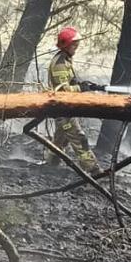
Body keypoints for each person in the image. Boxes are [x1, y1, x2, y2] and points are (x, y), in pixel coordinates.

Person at [43, 26, 101, 171]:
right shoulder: (60, 64)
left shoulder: (66, 60)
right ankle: (94, 170)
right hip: (63, 110)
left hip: (64, 108)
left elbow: (69, 82)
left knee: (59, 141)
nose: (76, 47)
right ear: (66, 45)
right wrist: (81, 88)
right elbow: (62, 90)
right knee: (79, 139)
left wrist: (83, 85)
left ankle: (50, 165)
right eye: (74, 45)